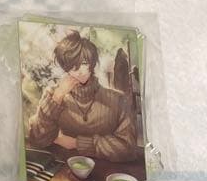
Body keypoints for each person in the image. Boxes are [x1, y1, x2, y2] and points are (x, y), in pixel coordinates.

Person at [27, 29, 138, 163]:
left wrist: (76, 143)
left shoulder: (117, 99)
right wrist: (57, 97)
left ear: (92, 64)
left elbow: (128, 147)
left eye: (84, 63)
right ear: (65, 67)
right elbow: (37, 139)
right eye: (72, 66)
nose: (79, 71)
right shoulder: (53, 94)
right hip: (62, 167)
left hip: (108, 169)